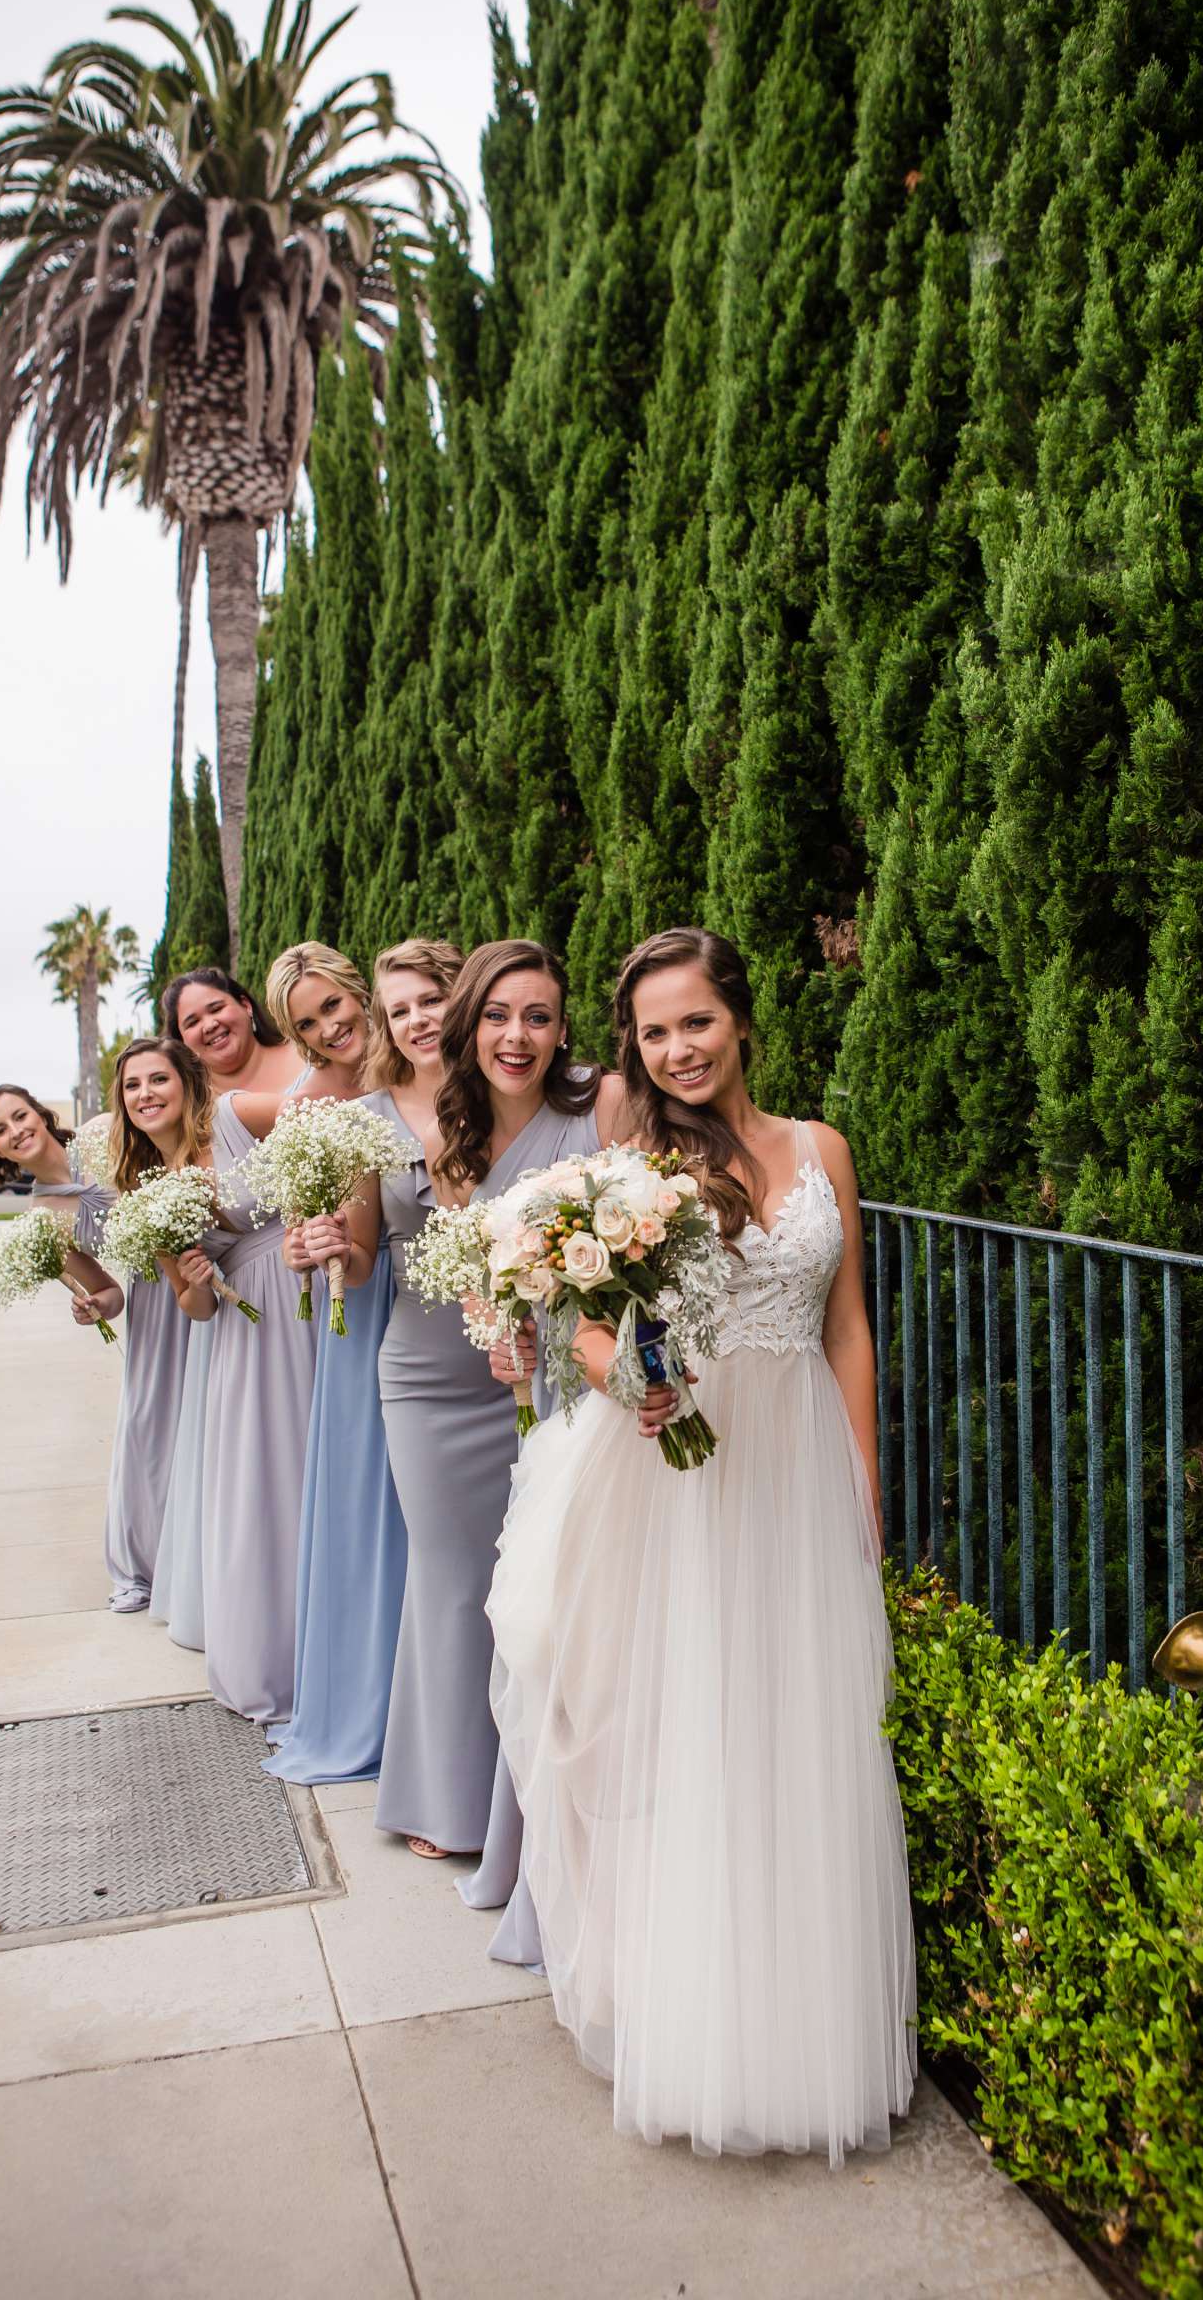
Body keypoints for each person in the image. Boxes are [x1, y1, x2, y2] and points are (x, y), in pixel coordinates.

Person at [487, 927, 917, 2163]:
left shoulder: (823, 1147)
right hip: (690, 1471)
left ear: (739, 1017)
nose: (676, 1049)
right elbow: (573, 1314)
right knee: (696, 1734)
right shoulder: (630, 1163)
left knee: (802, 1735)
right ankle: (695, 2030)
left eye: (696, 1022)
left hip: (801, 1476)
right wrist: (631, 1381)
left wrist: (862, 1486)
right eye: (654, 1031)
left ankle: (802, 2037)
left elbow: (845, 1329)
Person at [346, 940, 623, 1892]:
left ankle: (541, 1795)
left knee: (548, 1581)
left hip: (560, 1379)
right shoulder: (441, 1120)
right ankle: (449, 1795)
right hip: (434, 1382)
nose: (518, 1035)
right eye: (498, 1016)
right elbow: (458, 1258)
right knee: (456, 1575)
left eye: (539, 1017)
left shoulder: (602, 1105)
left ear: (561, 1027)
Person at [263, 942, 433, 1787]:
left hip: (453, 1292)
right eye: (308, 1022)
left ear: (357, 992)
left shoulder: (427, 1057)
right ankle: (375, 1700)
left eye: (334, 1005)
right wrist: (306, 1242)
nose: (331, 1027)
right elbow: (309, 1232)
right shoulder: (312, 1109)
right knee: (375, 1495)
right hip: (366, 1306)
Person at [163, 968, 318, 1727]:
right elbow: (190, 1299)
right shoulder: (203, 1122)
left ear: (245, 1005)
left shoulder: (312, 1057)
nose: (208, 1026)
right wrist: (191, 1274)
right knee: (274, 1480)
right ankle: (280, 1658)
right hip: (263, 1321)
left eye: (215, 1007)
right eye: (190, 1021)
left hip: (343, 1285)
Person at [101, 1039, 218, 1627]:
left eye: (157, 1080)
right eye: (132, 1086)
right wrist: (198, 1281)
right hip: (230, 1327)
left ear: (186, 1083)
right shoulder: (146, 1192)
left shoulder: (227, 1136)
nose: (145, 1094)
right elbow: (191, 1306)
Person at [0, 1083, 123, 1340]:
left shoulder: (105, 1131)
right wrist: (97, 1305)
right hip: (155, 1297)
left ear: (41, 1115)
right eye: (0, 1130)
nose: (16, 1131)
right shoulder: (43, 1225)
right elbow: (111, 1293)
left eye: (20, 1116)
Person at [162, 966, 303, 1096]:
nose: (209, 1025)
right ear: (181, 1041)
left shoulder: (308, 1052)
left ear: (245, 1005)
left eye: (217, 1009)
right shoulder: (195, 1112)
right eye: (193, 1022)